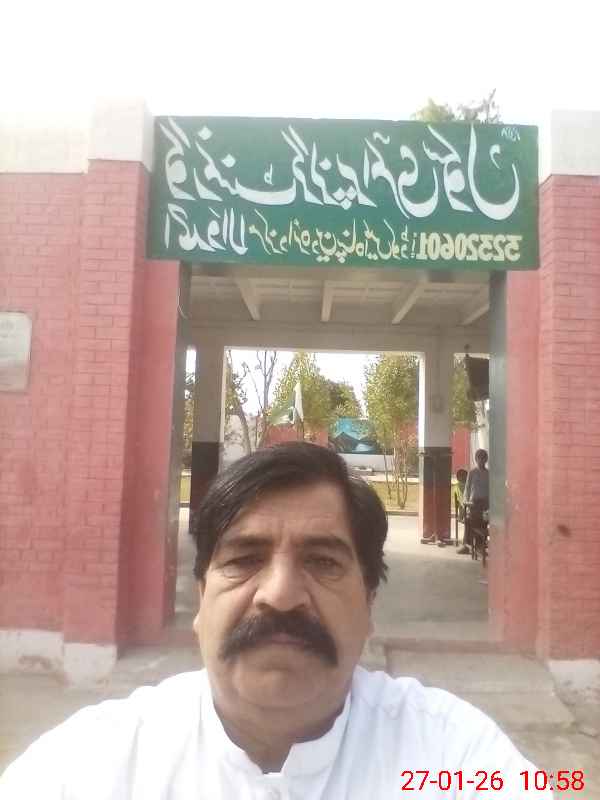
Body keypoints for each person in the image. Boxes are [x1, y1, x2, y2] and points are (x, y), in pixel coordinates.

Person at [1, 443, 549, 798]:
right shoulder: (89, 766)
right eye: (244, 560)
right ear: (202, 599)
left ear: (368, 604)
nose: (281, 596)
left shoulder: (453, 758)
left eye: (323, 562)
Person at [457, 449, 490, 555]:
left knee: (483, 521)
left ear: (486, 460)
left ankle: (480, 546)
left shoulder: (488, 474)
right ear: (476, 459)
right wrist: (465, 503)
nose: (481, 460)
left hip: (485, 504)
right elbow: (467, 488)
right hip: (473, 503)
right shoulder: (472, 473)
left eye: (483, 458)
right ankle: (467, 545)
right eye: (479, 458)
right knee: (468, 520)